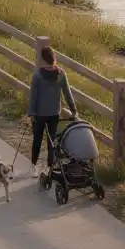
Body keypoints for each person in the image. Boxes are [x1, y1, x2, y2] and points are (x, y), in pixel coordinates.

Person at [28, 46, 77, 178]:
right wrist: (74, 111)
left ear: (42, 59)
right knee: (52, 142)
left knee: (37, 140)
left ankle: (33, 166)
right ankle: (50, 167)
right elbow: (67, 94)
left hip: (39, 114)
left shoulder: (37, 75)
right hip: (54, 113)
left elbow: (33, 96)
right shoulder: (61, 74)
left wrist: (31, 113)